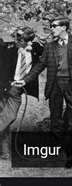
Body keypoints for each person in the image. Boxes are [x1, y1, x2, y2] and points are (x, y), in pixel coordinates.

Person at [15, 18, 72, 153]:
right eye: (51, 26)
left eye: (55, 26)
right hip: (55, 83)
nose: (52, 28)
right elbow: (40, 65)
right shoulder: (50, 46)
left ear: (64, 27)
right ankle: (57, 149)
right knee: (55, 117)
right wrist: (25, 80)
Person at [0, 27, 43, 159]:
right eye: (17, 38)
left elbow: (48, 49)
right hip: (3, 88)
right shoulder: (10, 48)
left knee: (9, 117)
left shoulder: (35, 50)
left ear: (29, 41)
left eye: (21, 39)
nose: (18, 41)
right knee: (3, 118)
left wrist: (37, 43)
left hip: (17, 90)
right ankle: (5, 152)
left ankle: (5, 152)